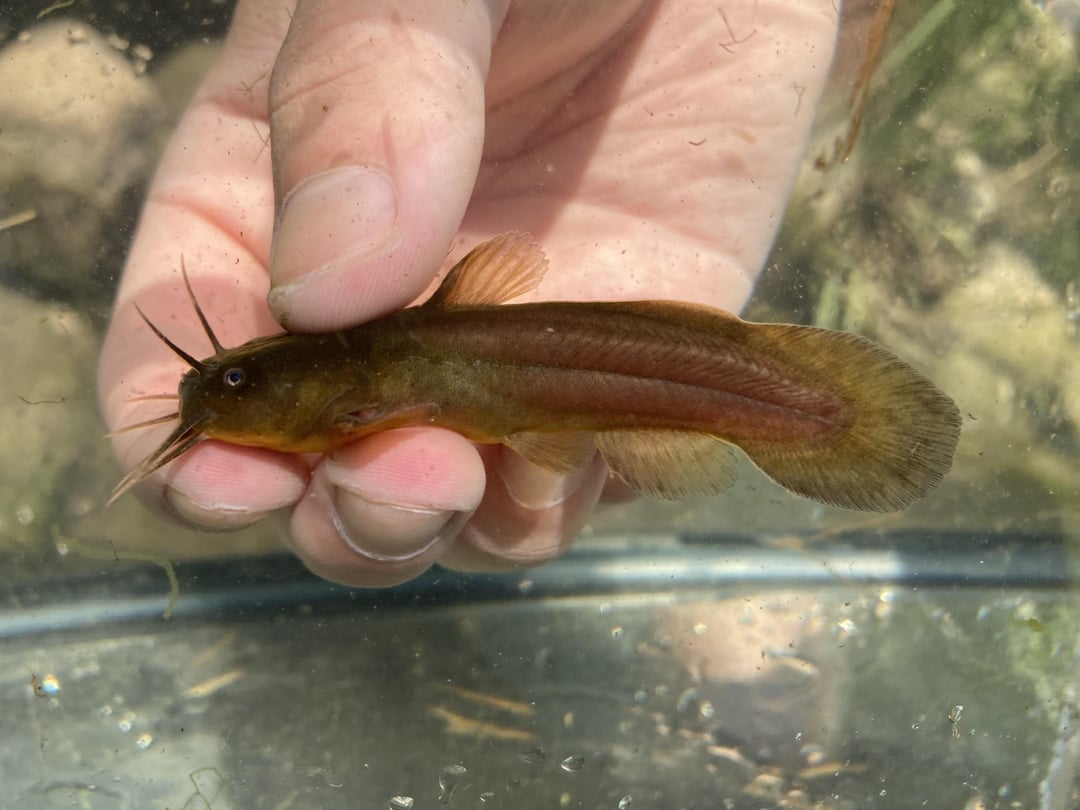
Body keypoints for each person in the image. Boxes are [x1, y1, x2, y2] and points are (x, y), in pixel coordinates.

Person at [99, 0, 840, 587]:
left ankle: (817, 415)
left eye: (237, 378)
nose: (216, 385)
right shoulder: (359, 387)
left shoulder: (363, 375)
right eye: (230, 377)